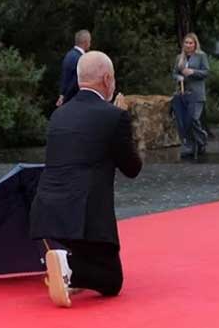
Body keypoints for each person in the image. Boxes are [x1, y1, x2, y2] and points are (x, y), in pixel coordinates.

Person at [30, 51, 142, 307]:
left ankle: (68, 268)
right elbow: (132, 168)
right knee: (112, 282)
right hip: (86, 216)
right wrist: (123, 122)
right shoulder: (114, 116)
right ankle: (69, 268)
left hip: (49, 212)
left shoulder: (59, 114)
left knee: (99, 265)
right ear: (107, 79)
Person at [172, 33, 210, 158]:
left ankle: (202, 139)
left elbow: (206, 72)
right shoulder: (179, 57)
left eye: (190, 43)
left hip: (197, 94)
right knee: (184, 121)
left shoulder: (201, 56)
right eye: (186, 42)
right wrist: (179, 77)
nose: (188, 45)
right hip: (183, 94)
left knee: (193, 118)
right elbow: (174, 73)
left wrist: (193, 72)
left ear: (195, 44)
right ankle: (192, 146)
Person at [56, 30, 92, 107]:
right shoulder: (81, 59)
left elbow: (65, 78)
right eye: (90, 41)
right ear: (85, 42)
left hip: (66, 100)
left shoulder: (69, 55)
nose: (90, 44)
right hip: (75, 101)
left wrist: (62, 95)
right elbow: (75, 82)